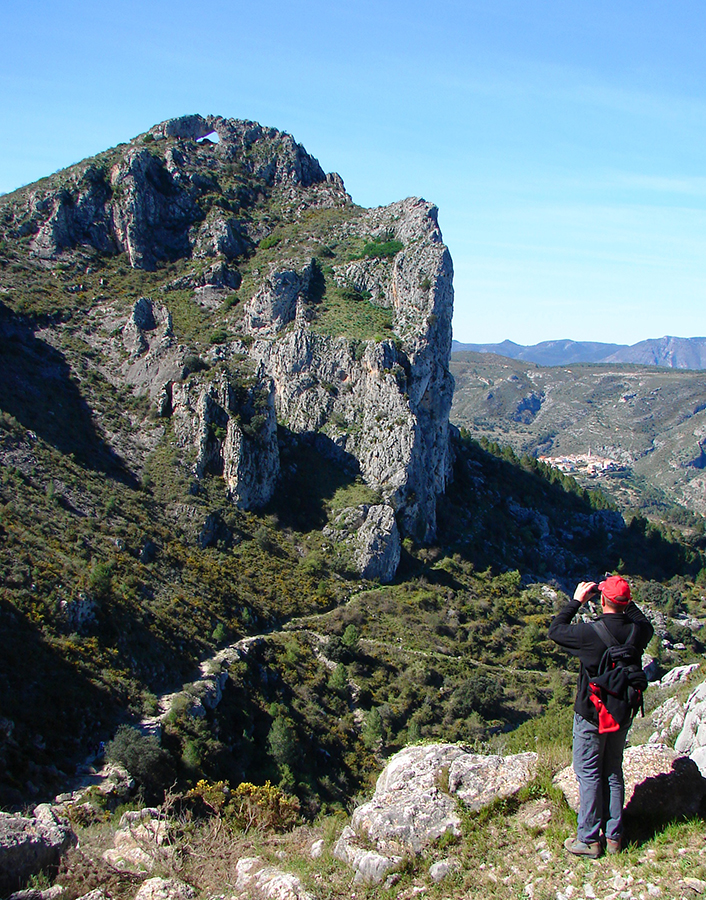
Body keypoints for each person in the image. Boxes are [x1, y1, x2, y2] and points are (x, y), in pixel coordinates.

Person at [548, 575, 653, 858]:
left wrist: (576, 601)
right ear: (626, 602)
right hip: (622, 712)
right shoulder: (640, 632)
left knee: (588, 772)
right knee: (612, 771)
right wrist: (623, 596)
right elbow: (642, 620)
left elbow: (556, 631)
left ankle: (589, 839)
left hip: (592, 713)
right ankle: (615, 837)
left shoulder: (589, 633)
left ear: (602, 600)